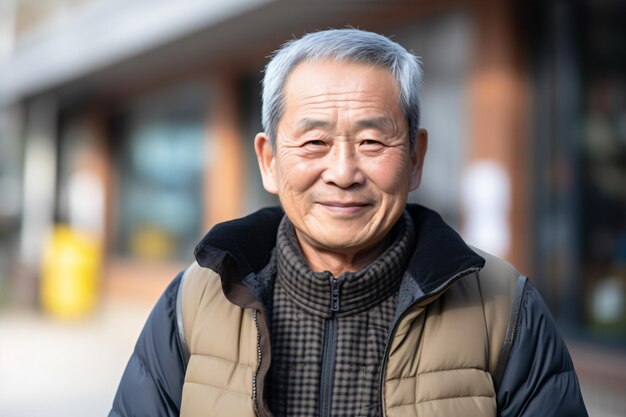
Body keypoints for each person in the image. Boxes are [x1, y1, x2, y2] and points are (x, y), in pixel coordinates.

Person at [109, 29, 588, 417]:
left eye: (372, 143)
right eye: (314, 143)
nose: (342, 174)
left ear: (415, 159)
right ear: (269, 160)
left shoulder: (503, 308)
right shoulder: (195, 301)